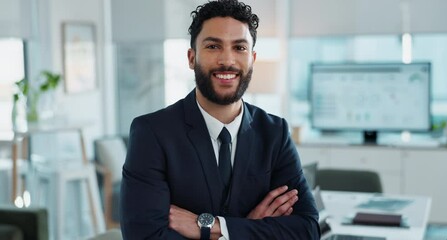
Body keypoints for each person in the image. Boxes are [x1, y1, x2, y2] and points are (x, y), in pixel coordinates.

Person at [120, 0, 320, 239]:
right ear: (192, 58)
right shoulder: (151, 133)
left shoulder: (275, 133)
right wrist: (248, 230)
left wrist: (210, 226)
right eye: (213, 46)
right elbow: (143, 236)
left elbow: (306, 230)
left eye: (239, 48)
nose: (227, 60)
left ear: (253, 59)